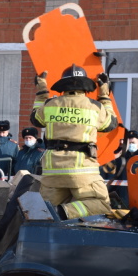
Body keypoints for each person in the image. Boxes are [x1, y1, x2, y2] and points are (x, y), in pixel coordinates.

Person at [30, 64, 117, 219]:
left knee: (44, 214)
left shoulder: (51, 105)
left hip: (53, 172)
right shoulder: (94, 107)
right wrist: (104, 94)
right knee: (101, 204)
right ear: (84, 86)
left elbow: (35, 118)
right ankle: (63, 212)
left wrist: (42, 90)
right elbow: (110, 124)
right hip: (82, 172)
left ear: (64, 85)